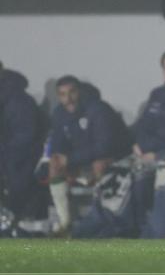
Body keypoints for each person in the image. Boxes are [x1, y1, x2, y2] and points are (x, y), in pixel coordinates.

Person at [48, 76, 132, 233]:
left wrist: (71, 159)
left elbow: (105, 147)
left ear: (79, 91)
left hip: (114, 158)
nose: (68, 99)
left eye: (72, 92)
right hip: (82, 160)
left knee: (99, 165)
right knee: (55, 164)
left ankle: (102, 219)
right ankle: (64, 222)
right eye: (63, 94)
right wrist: (60, 159)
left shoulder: (98, 109)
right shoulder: (59, 113)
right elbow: (57, 144)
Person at [0, 63, 46, 222]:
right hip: (9, 159)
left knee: (18, 202)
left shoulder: (19, 101)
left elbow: (25, 137)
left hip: (20, 161)